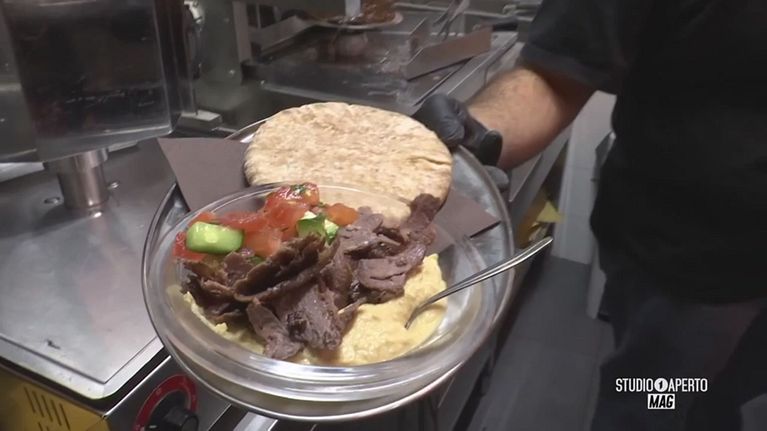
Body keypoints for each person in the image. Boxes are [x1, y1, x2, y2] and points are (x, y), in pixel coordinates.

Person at [413, 0, 767, 429]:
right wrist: (475, 136)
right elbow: (556, 76)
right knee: (659, 403)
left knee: (731, 397)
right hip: (690, 269)